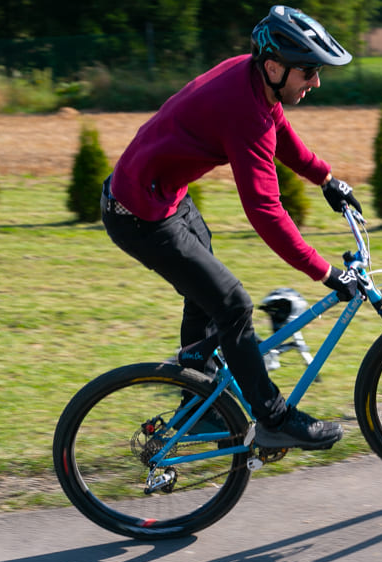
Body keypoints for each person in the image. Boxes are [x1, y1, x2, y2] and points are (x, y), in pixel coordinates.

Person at [100, 5, 362, 450]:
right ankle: (274, 419)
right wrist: (324, 273)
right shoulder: (244, 111)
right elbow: (264, 211)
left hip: (164, 199)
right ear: (275, 67)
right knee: (234, 305)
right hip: (138, 215)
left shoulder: (253, 79)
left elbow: (280, 131)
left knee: (207, 292)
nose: (315, 82)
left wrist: (325, 178)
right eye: (309, 71)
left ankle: (194, 400)